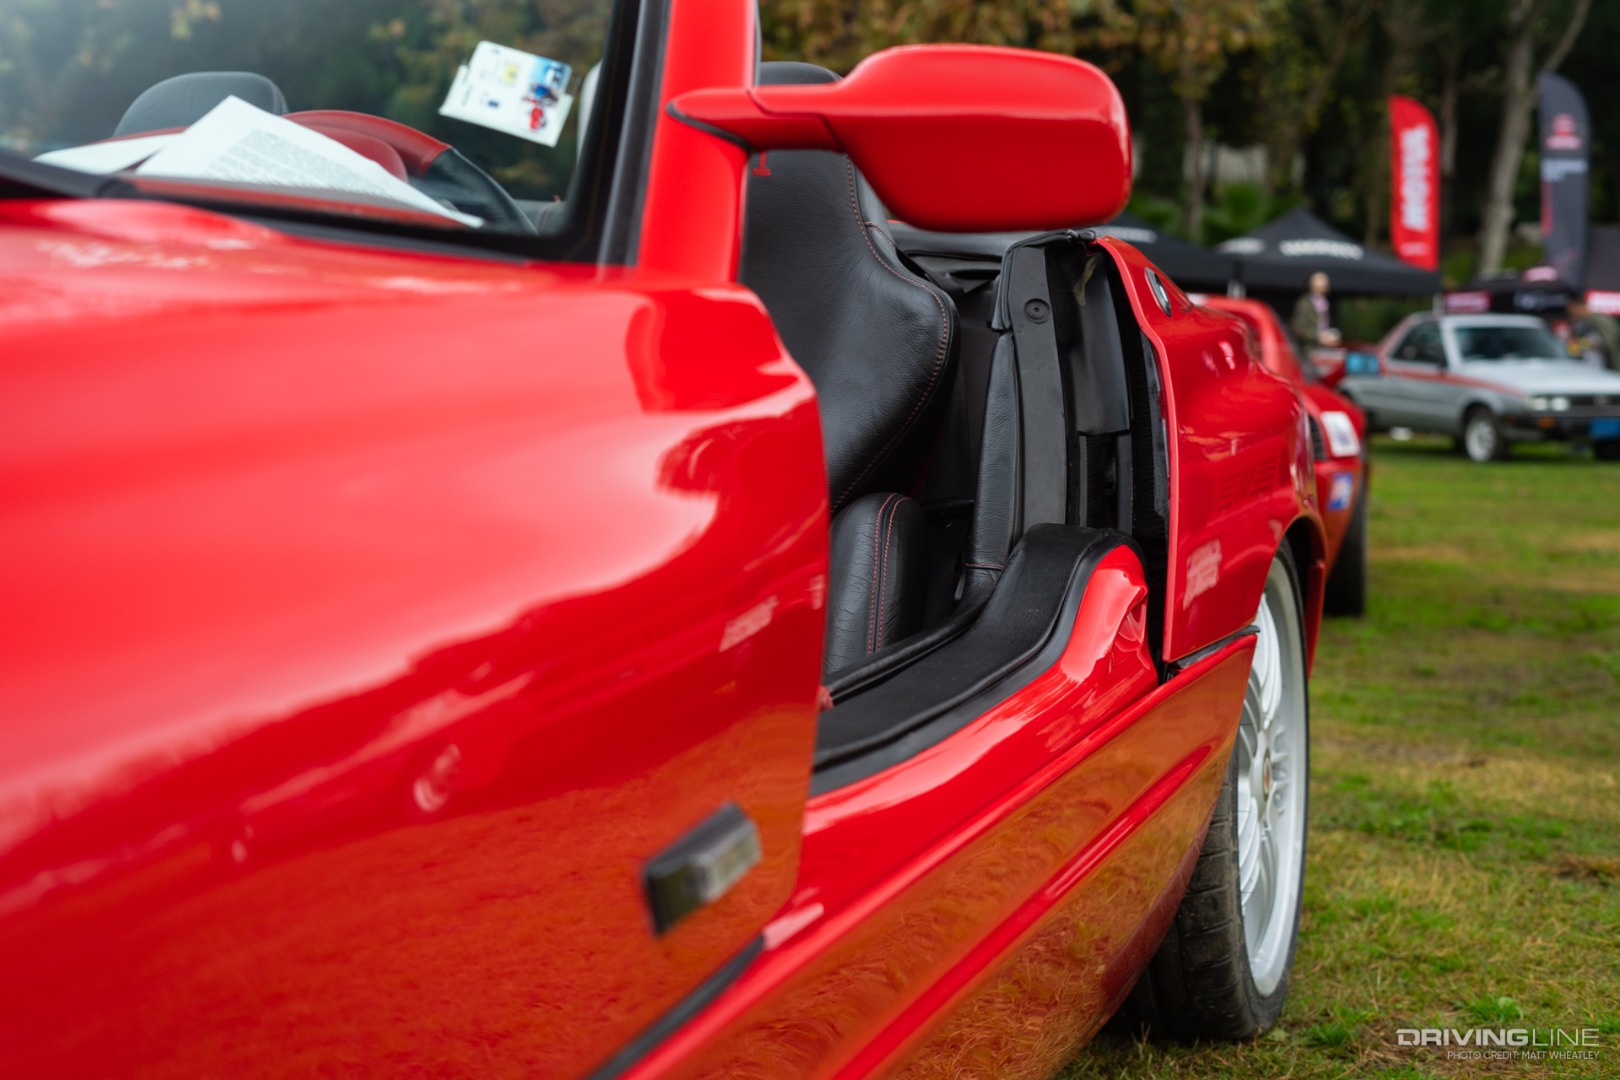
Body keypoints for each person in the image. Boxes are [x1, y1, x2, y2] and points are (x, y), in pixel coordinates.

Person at [1565, 299, 1620, 369]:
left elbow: (1610, 343)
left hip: (1614, 364)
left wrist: (1585, 343)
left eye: (1572, 308)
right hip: (1604, 367)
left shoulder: (1599, 320)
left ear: (1580, 306)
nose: (1571, 312)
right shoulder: (1585, 321)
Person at [1291, 271, 1341, 348]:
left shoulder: (1324, 302)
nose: (1324, 283)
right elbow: (1299, 329)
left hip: (1322, 347)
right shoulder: (1304, 303)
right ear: (1311, 283)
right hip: (1308, 348)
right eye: (1320, 280)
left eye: (1325, 280)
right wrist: (1319, 337)